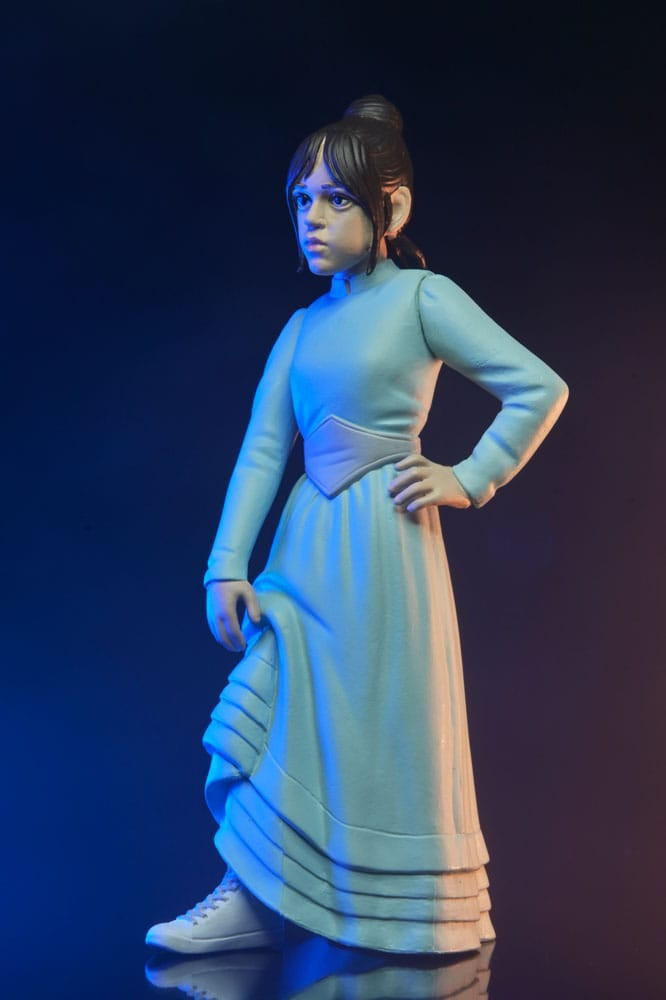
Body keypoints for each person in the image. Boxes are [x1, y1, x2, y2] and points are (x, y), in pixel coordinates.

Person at [146, 95, 568, 956]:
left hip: (386, 540)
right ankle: (255, 892)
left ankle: (411, 912)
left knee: (387, 723)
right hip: (303, 549)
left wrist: (469, 476)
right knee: (281, 709)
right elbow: (264, 450)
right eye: (302, 199)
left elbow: (537, 387)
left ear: (392, 208)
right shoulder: (301, 327)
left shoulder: (422, 297)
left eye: (336, 198)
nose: (312, 217)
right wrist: (226, 565)